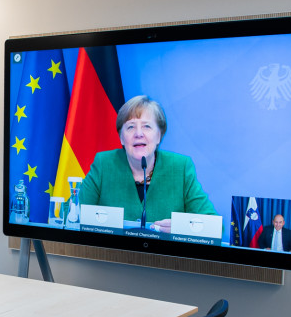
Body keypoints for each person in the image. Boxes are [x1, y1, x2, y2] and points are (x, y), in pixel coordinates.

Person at [78, 95, 216, 232]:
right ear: (121, 137)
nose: (138, 133)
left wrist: (181, 227)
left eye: (147, 126)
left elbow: (213, 226)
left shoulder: (180, 167)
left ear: (159, 136)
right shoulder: (104, 163)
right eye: (131, 127)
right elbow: (71, 214)